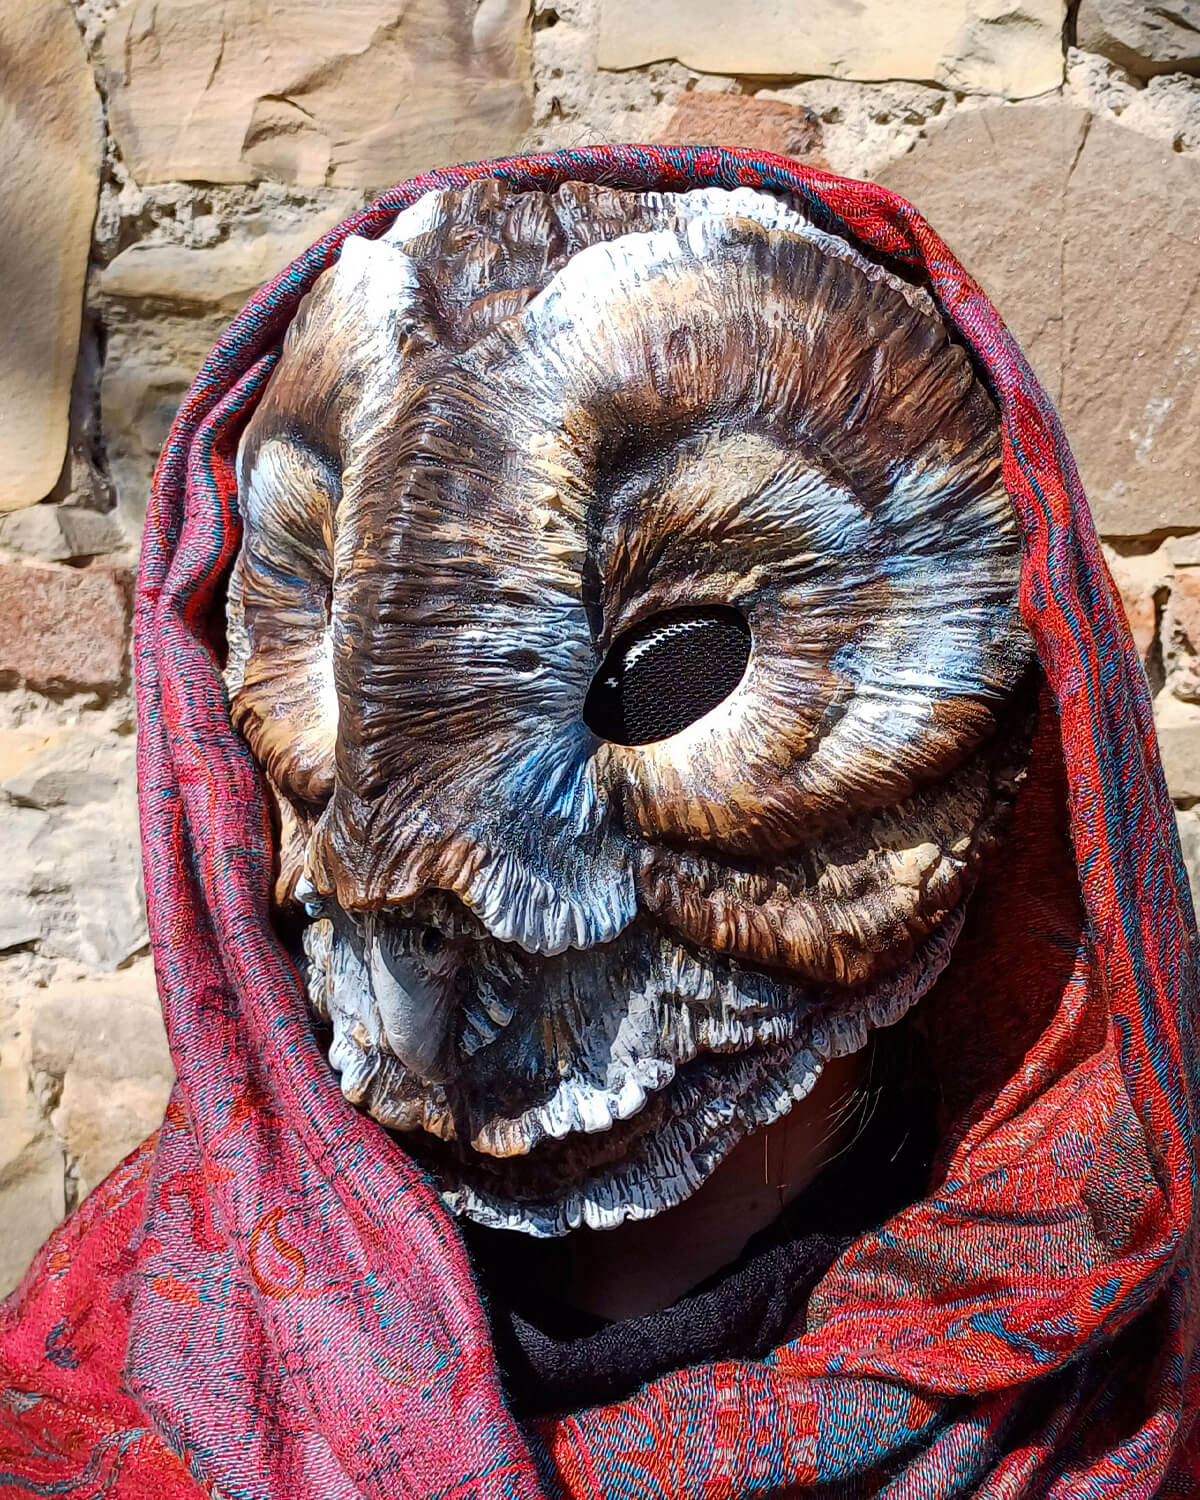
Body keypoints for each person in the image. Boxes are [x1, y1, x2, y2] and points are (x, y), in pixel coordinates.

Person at [1, 145, 1197, 1500]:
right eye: (346, 658)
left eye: (675, 664)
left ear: (1004, 721)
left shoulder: (1126, 1368)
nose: (411, 869)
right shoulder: (124, 1366)